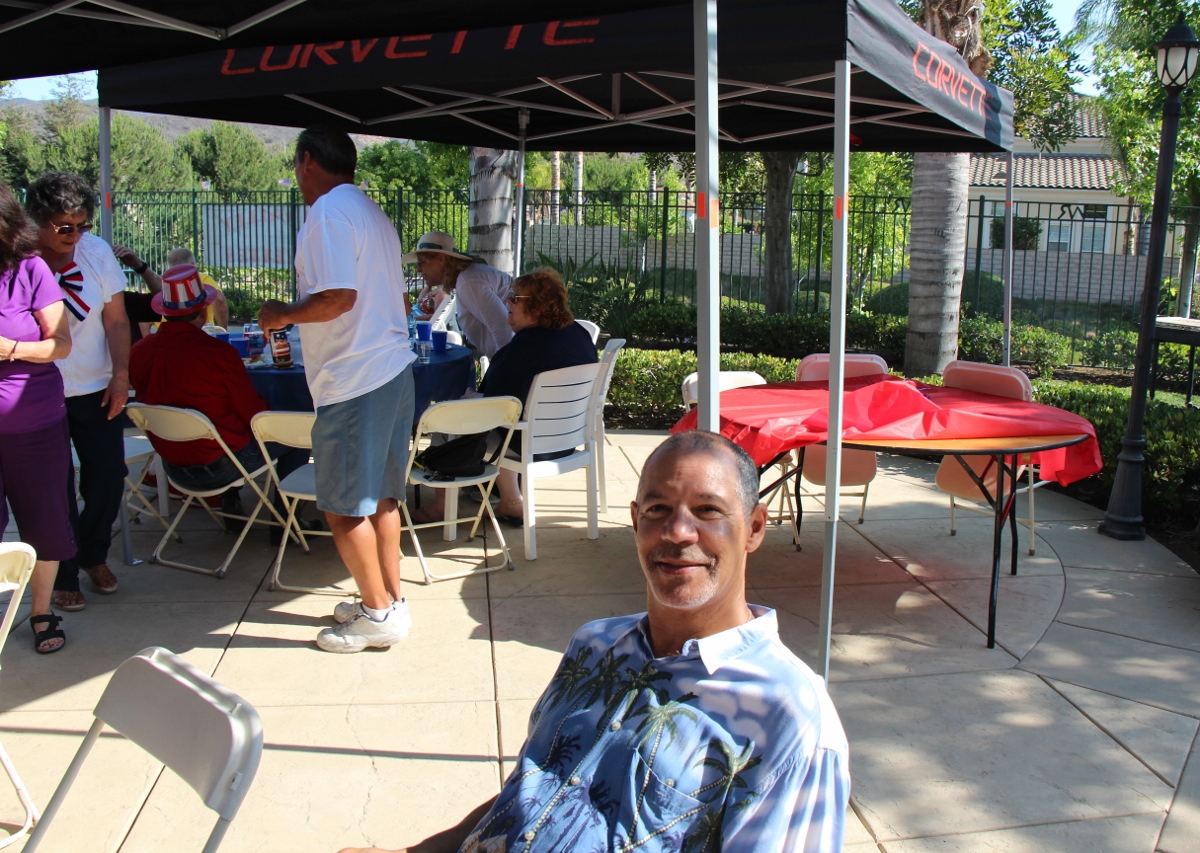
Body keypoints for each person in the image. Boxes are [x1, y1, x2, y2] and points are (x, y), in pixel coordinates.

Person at [338, 430, 851, 852]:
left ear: (755, 528)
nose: (677, 532)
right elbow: (535, 788)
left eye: (708, 511)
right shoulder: (596, 646)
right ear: (634, 522)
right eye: (656, 510)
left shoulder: (789, 718)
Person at [258, 127, 416, 654]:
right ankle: (389, 602)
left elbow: (338, 298)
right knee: (382, 499)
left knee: (343, 507)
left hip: (355, 377)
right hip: (392, 368)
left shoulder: (327, 212)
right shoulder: (371, 212)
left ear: (307, 161)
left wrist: (280, 314)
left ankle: (375, 614)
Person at [129, 264, 310, 538]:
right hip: (221, 465)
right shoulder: (217, 353)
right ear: (204, 312)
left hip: (172, 465)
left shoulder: (139, 351)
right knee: (293, 438)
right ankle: (287, 524)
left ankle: (231, 502)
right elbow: (254, 415)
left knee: (225, 431)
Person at [413, 267, 597, 527]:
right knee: (510, 419)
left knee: (447, 422)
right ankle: (511, 503)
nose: (507, 302)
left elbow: (494, 404)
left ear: (537, 306)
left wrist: (467, 397)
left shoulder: (522, 348)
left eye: (515, 298)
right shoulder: (578, 334)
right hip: (567, 438)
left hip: (527, 443)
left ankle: (441, 508)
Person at [27, 171, 130, 612]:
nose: (75, 234)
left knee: (108, 476)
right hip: (38, 391)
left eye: (82, 224)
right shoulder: (17, 259)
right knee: (55, 488)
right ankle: (64, 572)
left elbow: (117, 319)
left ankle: (93, 553)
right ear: (37, 220)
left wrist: (121, 375)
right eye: (64, 226)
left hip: (95, 387)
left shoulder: (96, 252)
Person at [0, 180, 75, 654]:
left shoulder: (30, 269)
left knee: (44, 521)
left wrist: (10, 348)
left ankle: (41, 609)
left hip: (35, 422)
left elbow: (61, 343)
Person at [404, 231, 512, 358]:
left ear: (441, 260)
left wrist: (504, 369)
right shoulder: (466, 278)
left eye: (421, 262)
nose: (418, 269)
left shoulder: (468, 282)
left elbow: (504, 329)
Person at [114, 245, 230, 331]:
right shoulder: (200, 280)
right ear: (191, 266)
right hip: (201, 337)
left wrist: (149, 345)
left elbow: (144, 321)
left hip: (162, 343)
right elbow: (219, 299)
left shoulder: (156, 288)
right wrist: (223, 330)